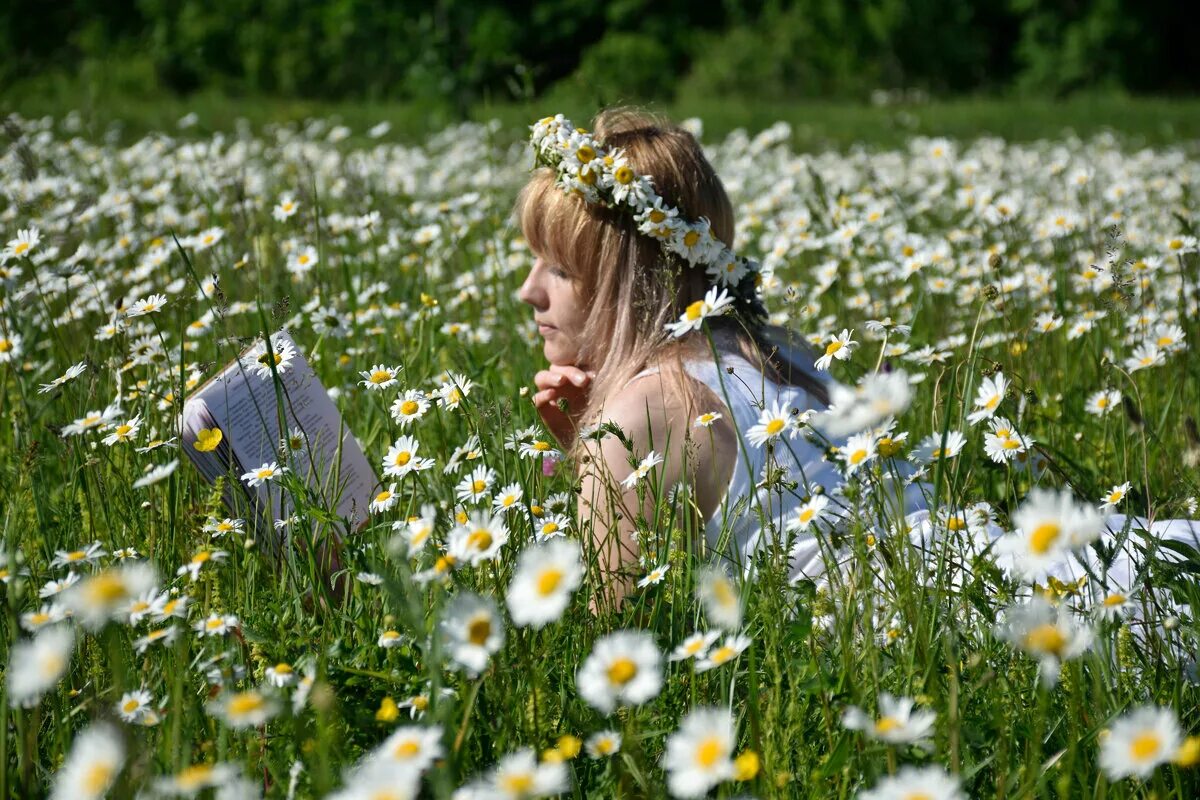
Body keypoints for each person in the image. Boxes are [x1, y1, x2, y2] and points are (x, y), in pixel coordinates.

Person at [513, 108, 1200, 617]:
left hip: (957, 627)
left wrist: (597, 458)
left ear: (634, 279)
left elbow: (618, 633)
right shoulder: (779, 351)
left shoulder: (638, 416)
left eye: (560, 270)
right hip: (1014, 565)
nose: (529, 291)